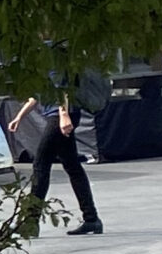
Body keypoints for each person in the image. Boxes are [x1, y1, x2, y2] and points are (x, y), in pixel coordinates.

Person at [12, 89, 102, 235]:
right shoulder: (42, 68)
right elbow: (35, 95)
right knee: (72, 166)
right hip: (61, 115)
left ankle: (31, 222)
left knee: (41, 165)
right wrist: (19, 116)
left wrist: (64, 115)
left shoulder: (53, 67)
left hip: (59, 116)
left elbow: (63, 88)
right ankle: (91, 219)